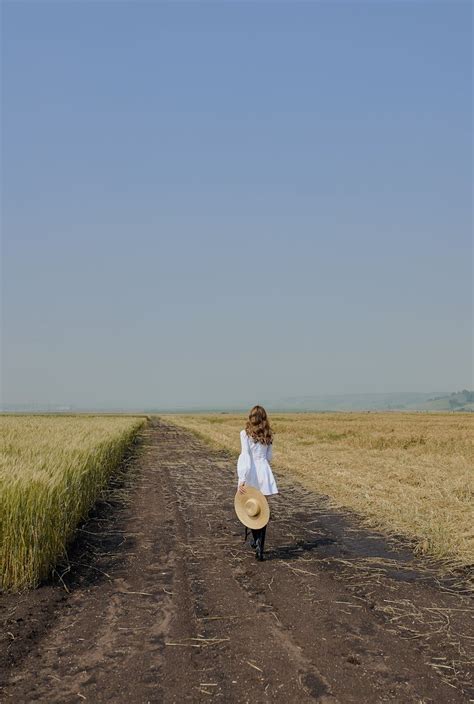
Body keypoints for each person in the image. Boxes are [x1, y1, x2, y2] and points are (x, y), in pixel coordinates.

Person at [237, 405, 278, 560]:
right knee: (263, 511)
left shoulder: (244, 434)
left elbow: (245, 457)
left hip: (252, 474)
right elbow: (268, 458)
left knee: (252, 508)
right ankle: (260, 546)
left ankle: (255, 540)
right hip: (264, 473)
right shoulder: (268, 434)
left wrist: (242, 479)